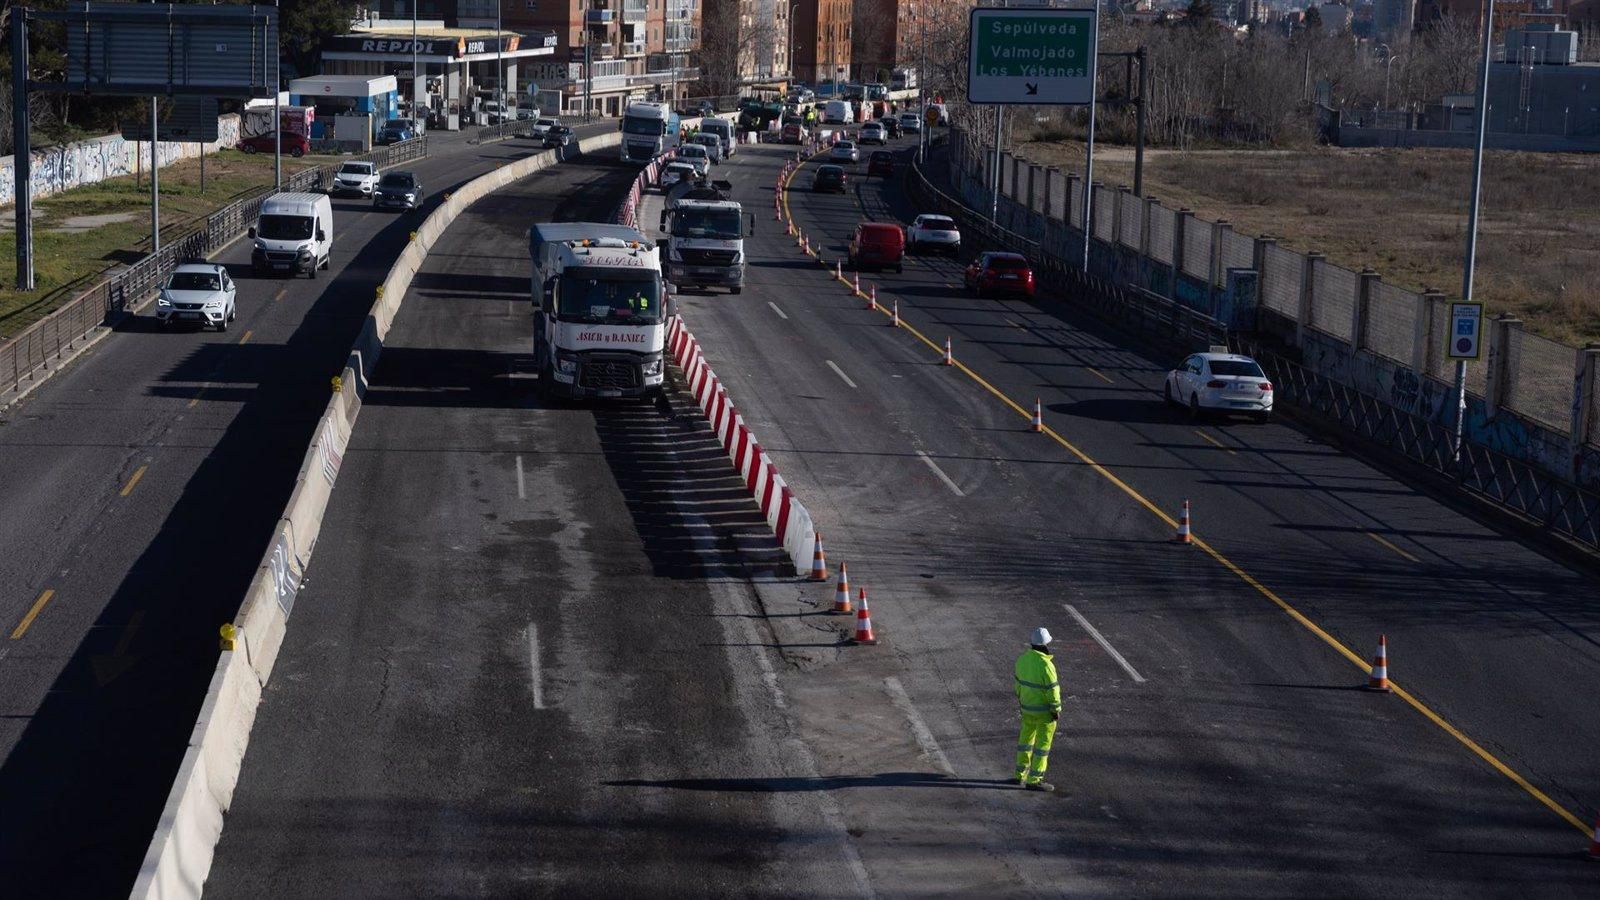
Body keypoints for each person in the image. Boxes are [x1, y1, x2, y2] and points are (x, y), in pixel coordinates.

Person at [1013, 627, 1060, 792]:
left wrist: (1022, 703)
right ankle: (1035, 780)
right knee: (1042, 746)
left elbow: (1018, 685)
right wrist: (1056, 709)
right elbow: (1052, 690)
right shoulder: (1046, 665)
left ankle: (1019, 775)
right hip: (1044, 713)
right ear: (1046, 644)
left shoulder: (1022, 660)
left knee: (1025, 742)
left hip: (1027, 710)